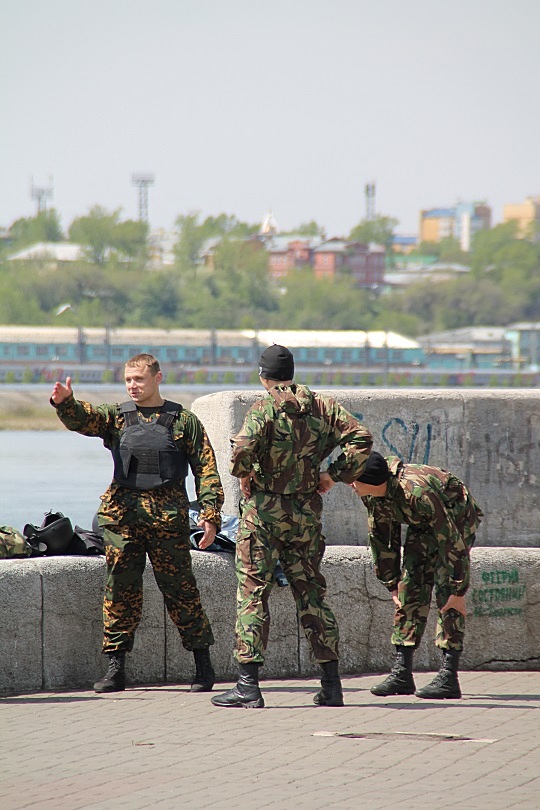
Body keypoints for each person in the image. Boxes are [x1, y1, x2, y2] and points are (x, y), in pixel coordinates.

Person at [211, 344, 373, 709]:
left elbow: (241, 451)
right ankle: (331, 685)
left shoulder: (263, 409)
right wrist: (333, 474)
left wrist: (246, 473)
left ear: (262, 376)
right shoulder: (322, 406)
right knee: (312, 594)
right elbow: (361, 438)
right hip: (305, 515)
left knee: (253, 593)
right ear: (291, 374)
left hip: (263, 516)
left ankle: (248, 685)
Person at [50, 353, 224, 694]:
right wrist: (66, 403)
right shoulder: (117, 417)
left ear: (157, 378)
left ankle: (203, 666)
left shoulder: (183, 421)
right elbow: (85, 419)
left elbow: (206, 470)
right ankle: (116, 669)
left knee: (182, 591)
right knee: (119, 591)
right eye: (128, 379)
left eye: (139, 379)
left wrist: (210, 515)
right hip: (122, 518)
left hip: (168, 520)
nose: (132, 385)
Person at [349, 450, 483, 699]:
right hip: (423, 523)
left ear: (370, 481)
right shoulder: (372, 495)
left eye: (354, 479)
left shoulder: (417, 494)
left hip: (456, 519)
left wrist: (458, 590)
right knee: (409, 586)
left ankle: (449, 677)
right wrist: (392, 583)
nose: (350, 485)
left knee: (447, 592)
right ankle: (402, 673)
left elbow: (451, 541)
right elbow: (381, 537)